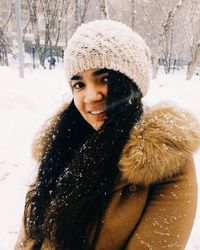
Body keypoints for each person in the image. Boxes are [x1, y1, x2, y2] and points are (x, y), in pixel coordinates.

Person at [15, 20, 200, 250]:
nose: (90, 96)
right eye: (79, 84)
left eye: (104, 79)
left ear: (131, 83)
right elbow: (28, 238)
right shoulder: (60, 147)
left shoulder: (167, 162)